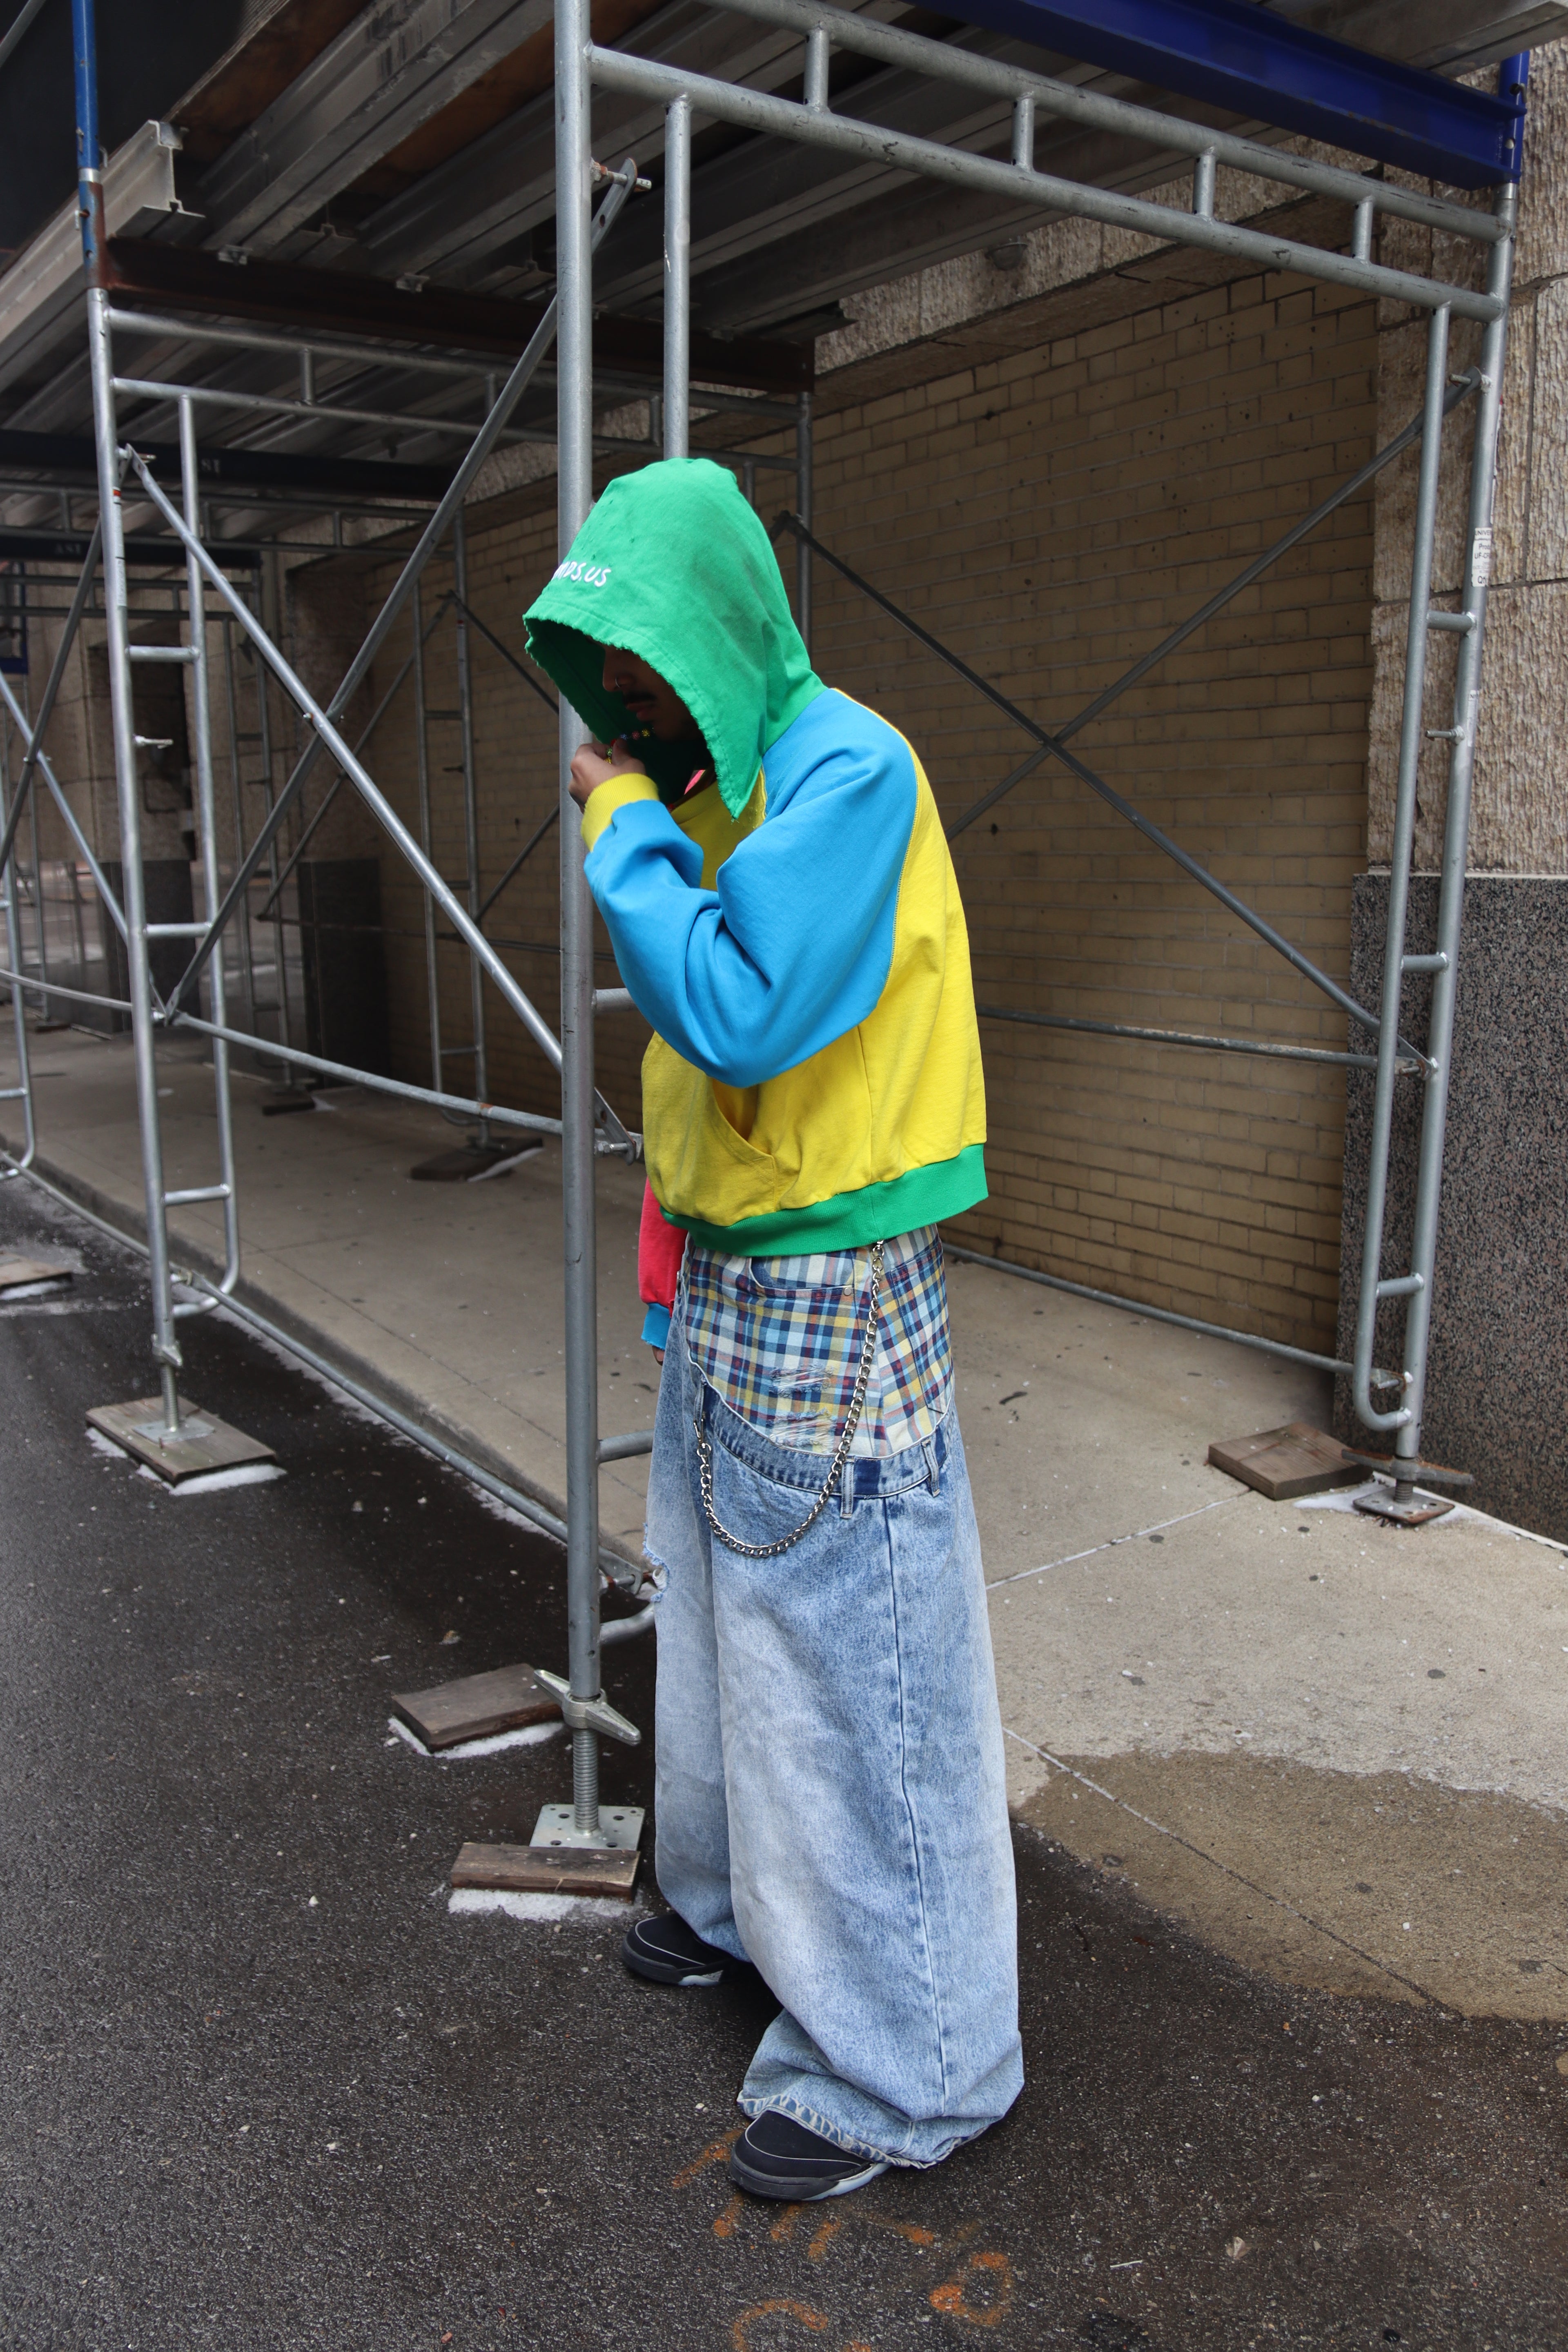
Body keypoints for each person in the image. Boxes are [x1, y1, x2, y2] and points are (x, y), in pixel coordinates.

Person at [523, 458, 1021, 2204]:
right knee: (731, 1636)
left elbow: (736, 1013)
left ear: (724, 641)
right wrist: (677, 1255)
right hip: (739, 1276)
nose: (626, 714)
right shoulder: (733, 781)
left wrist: (619, 824)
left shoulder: (844, 770)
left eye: (648, 675)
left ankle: (911, 2067)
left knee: (854, 1676)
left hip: (829, 1288)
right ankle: (734, 1909)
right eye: (609, 685)